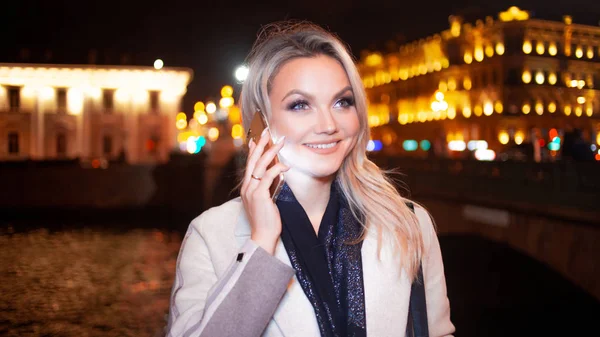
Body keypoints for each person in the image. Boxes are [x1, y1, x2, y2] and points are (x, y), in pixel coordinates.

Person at [166, 21, 454, 337]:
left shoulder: (410, 222)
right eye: (300, 105)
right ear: (261, 123)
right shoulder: (209, 235)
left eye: (343, 102)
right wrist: (262, 241)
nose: (329, 124)